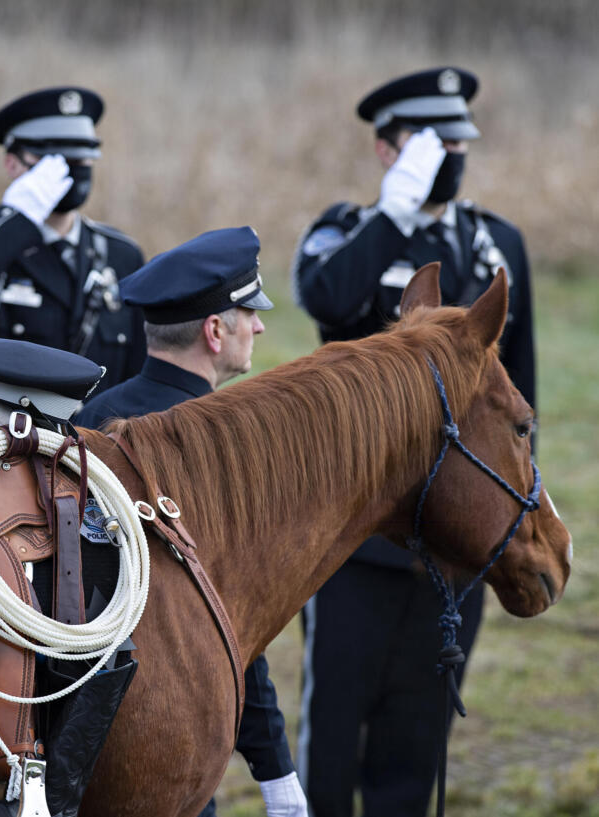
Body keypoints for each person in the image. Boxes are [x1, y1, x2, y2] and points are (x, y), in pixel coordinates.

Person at [290, 67, 535, 817]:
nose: (450, 156)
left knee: (419, 736)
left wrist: (512, 511)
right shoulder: (347, 230)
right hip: (354, 537)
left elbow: (520, 399)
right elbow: (328, 299)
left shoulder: (499, 242)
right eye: (431, 142)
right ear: (385, 147)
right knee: (332, 732)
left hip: (456, 531)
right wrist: (394, 214)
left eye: (458, 141)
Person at [77, 227, 308, 817]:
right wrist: (277, 771)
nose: (257, 327)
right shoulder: (219, 448)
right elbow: (230, 623)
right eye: (247, 313)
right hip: (165, 748)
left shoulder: (93, 415)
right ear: (214, 331)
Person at [0, 86, 146, 393]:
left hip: (96, 437)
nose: (73, 168)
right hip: (5, 436)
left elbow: (136, 375)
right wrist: (16, 219)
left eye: (81, 157)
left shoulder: (122, 255)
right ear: (13, 163)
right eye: (54, 157)